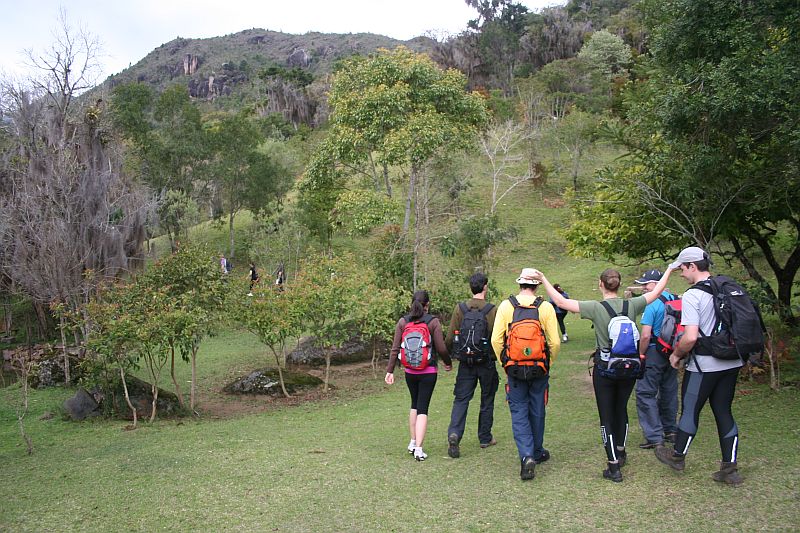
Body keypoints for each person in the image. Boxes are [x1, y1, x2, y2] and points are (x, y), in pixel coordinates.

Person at [534, 266, 673, 482]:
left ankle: (613, 465)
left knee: (606, 416)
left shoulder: (595, 308)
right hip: (629, 368)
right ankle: (621, 449)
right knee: (622, 410)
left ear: (601, 284)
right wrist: (670, 270)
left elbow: (560, 302)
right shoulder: (632, 304)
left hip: (605, 369)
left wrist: (543, 278)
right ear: (618, 284)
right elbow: (656, 292)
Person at [654, 247, 744, 485]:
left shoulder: (694, 295)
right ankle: (730, 468)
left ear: (692, 266)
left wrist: (676, 354)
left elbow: (690, 337)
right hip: (732, 361)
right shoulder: (725, 287)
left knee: (691, 410)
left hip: (704, 365)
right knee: (724, 411)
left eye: (682, 268)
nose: (681, 274)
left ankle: (677, 456)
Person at [491, 268, 560, 481]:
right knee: (537, 408)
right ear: (537, 286)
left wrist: (506, 362)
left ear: (520, 284)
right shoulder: (545, 307)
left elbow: (496, 340)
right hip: (539, 368)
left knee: (519, 411)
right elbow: (554, 342)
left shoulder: (506, 306)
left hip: (514, 368)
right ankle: (537, 451)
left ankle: (526, 455)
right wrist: (548, 362)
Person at [385, 290, 452, 461]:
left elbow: (395, 348)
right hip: (428, 371)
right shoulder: (433, 322)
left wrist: (390, 371)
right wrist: (447, 362)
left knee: (414, 404)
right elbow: (442, 347)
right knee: (423, 408)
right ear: (427, 304)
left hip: (409, 372)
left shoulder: (403, 321)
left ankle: (413, 441)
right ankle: (419, 449)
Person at [445, 272, 499, 458]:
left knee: (461, 399)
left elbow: (451, 337)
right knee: (487, 398)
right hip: (487, 362)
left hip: (465, 363)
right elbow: (497, 337)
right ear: (485, 287)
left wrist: (448, 358)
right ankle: (485, 437)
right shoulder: (492, 309)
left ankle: (454, 433)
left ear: (471, 288)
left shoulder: (460, 308)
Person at [634, 269, 679, 450]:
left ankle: (654, 436)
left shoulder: (651, 304)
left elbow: (645, 335)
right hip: (674, 352)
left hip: (653, 352)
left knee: (645, 392)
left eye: (647, 284)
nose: (644, 288)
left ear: (656, 284)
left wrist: (641, 355)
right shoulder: (676, 299)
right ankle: (670, 430)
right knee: (669, 390)